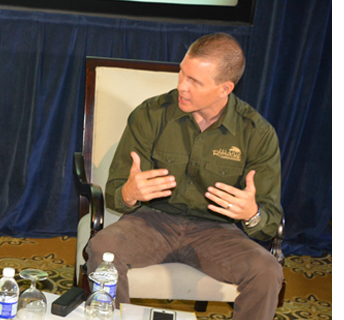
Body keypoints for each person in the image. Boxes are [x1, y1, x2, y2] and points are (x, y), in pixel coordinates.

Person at [85, 33, 284, 320]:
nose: (181, 86)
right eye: (182, 73)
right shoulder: (151, 114)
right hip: (152, 222)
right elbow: (117, 191)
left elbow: (269, 220)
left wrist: (252, 214)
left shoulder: (257, 134)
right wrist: (129, 194)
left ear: (224, 88)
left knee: (266, 272)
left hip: (217, 231)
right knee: (103, 250)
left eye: (195, 81)